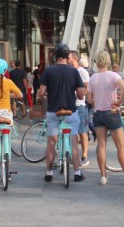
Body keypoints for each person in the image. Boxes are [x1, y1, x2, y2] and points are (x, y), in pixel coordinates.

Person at [37, 43, 86, 183]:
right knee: (74, 142)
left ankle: (49, 172)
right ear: (67, 56)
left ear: (55, 56)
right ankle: (77, 173)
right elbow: (81, 94)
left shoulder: (48, 71)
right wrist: (80, 95)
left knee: (51, 142)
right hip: (70, 111)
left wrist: (41, 96)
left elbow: (41, 92)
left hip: (53, 111)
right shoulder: (74, 71)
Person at [86, 50, 124, 186]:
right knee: (120, 146)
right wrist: (120, 100)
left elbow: (89, 99)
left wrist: (98, 102)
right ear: (108, 61)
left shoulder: (93, 78)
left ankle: (103, 176)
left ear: (97, 62)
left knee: (101, 146)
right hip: (112, 112)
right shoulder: (113, 75)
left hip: (98, 114)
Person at [69, 50, 91, 167]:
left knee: (82, 131)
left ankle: (85, 156)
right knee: (74, 132)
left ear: (74, 58)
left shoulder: (81, 71)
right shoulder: (69, 71)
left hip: (80, 104)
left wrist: (81, 96)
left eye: (68, 57)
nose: (66, 58)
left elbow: (87, 87)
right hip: (70, 104)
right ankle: (75, 155)